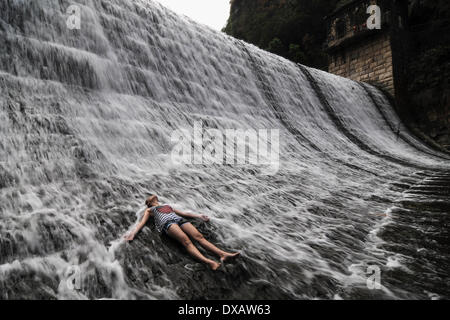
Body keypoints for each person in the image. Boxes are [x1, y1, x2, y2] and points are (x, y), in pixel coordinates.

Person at [124, 194, 240, 270]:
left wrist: (199, 216)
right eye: (151, 197)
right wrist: (133, 233)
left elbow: (184, 213)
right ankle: (209, 262)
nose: (153, 196)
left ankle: (222, 254)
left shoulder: (166, 205)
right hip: (168, 224)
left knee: (199, 237)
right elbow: (141, 223)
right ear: (148, 203)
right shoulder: (149, 210)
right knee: (187, 242)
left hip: (180, 220)